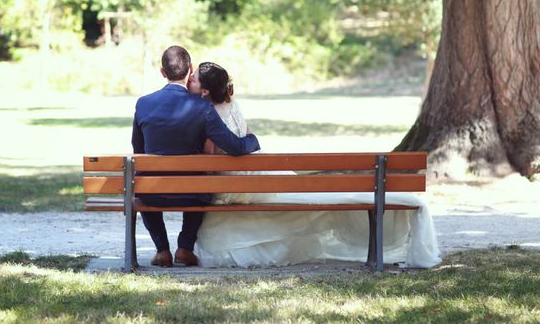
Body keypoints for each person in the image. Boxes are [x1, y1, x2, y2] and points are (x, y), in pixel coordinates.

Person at [188, 62, 441, 269]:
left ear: (206, 92)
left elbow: (211, 161)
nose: (191, 81)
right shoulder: (234, 106)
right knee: (294, 190)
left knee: (221, 190)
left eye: (194, 79)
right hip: (255, 178)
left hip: (231, 186)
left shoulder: (207, 116)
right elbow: (249, 137)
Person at [131, 46, 260, 268]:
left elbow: (138, 147)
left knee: (142, 183)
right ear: (190, 69)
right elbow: (235, 146)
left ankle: (162, 250)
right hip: (192, 192)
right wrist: (253, 140)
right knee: (201, 184)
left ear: (162, 72)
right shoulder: (203, 107)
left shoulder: (143, 103)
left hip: (152, 192)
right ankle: (185, 247)